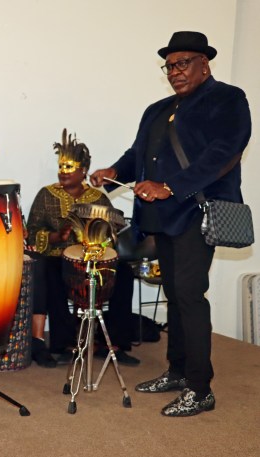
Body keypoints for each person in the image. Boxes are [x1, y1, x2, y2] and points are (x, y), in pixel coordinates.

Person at [90, 31, 251, 417]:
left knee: (191, 298)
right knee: (175, 297)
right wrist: (115, 169)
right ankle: (177, 371)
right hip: (162, 218)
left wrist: (169, 186)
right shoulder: (156, 110)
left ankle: (201, 388)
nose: (175, 72)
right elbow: (138, 155)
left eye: (183, 63)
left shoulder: (228, 99)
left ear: (204, 64)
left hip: (196, 212)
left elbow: (224, 153)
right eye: (169, 65)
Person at [26, 129, 139, 368]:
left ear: (83, 171)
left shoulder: (98, 198)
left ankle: (114, 344)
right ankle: (65, 344)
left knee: (125, 275)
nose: (63, 172)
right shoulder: (46, 196)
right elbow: (32, 232)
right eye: (61, 167)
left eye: (69, 167)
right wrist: (56, 236)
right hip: (59, 257)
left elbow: (114, 230)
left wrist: (103, 238)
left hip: (94, 259)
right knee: (52, 276)